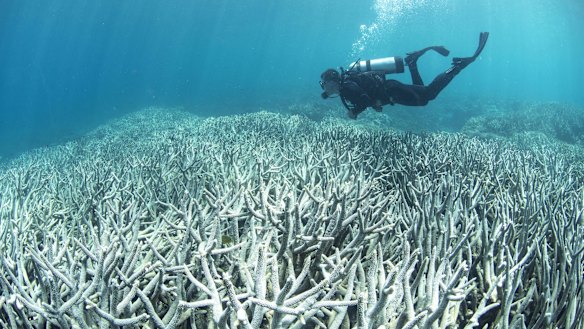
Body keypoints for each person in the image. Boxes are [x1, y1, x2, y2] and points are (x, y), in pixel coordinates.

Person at [320, 32, 489, 119]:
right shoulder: (346, 85)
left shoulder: (347, 87)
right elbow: (367, 96)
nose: (325, 88)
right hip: (390, 90)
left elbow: (363, 99)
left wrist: (354, 112)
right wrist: (375, 104)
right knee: (423, 95)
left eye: (325, 84)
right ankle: (412, 63)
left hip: (392, 91)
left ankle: (457, 67)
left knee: (427, 95)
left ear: (333, 81)